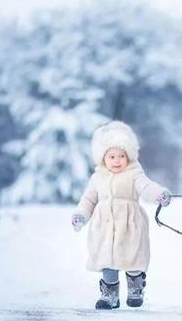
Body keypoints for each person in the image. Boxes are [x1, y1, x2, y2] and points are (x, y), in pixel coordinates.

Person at [72, 121, 171, 309]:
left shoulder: (134, 173)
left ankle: (135, 288)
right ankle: (109, 295)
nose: (117, 161)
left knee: (133, 258)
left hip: (130, 225)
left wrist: (159, 194)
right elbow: (88, 200)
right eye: (112, 156)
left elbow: (146, 187)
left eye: (121, 156)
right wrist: (81, 215)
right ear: (103, 158)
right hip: (104, 228)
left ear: (129, 156)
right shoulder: (97, 178)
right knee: (107, 262)